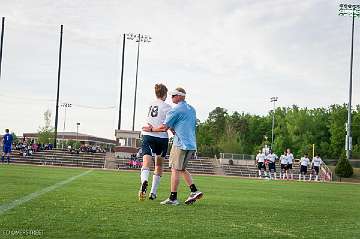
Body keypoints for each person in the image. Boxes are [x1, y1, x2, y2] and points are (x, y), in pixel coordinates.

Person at [143, 87, 203, 205]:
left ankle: (173, 198)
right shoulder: (191, 109)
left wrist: (151, 129)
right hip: (191, 144)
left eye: (174, 95)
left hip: (180, 143)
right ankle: (194, 191)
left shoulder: (175, 110)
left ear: (180, 96)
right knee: (181, 169)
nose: (171, 98)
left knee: (175, 169)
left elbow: (164, 127)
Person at [138, 83, 172, 201]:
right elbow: (165, 127)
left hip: (148, 135)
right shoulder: (167, 107)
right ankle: (153, 192)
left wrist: (152, 128)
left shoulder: (151, 104)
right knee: (158, 165)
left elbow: (150, 122)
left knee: (146, 162)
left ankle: (144, 181)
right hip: (162, 138)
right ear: (165, 94)